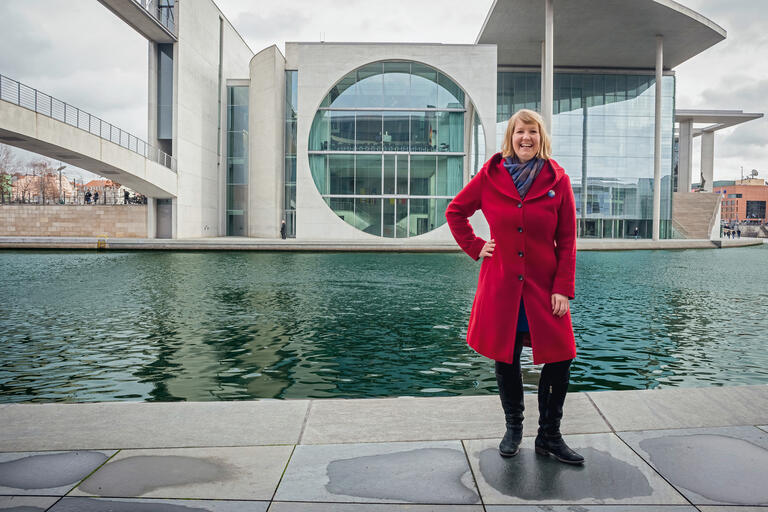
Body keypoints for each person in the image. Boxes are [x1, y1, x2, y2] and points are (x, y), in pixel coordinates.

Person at [446, 109, 583, 465]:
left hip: (544, 286)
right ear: (511, 136)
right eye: (520, 131)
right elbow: (455, 212)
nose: (526, 138)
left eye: (533, 132)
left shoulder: (558, 179)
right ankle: (514, 428)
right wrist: (477, 247)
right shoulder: (490, 176)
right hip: (502, 284)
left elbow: (567, 239)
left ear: (541, 138)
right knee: (505, 356)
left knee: (561, 357)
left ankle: (550, 436)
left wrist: (562, 288)